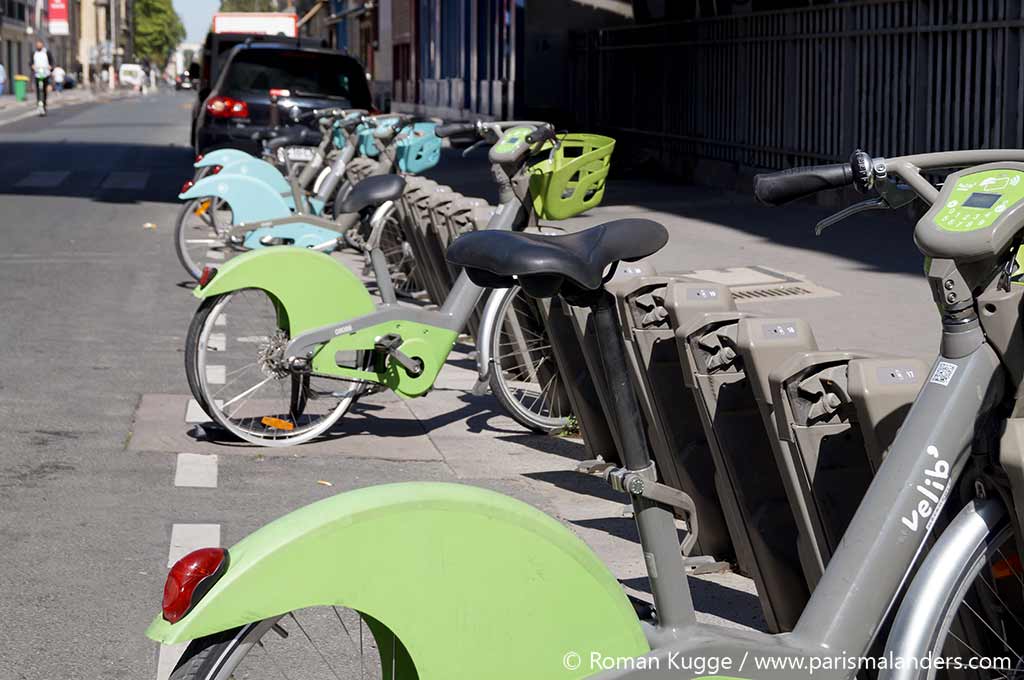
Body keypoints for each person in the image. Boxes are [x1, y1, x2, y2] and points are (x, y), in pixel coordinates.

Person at [31, 40, 53, 116]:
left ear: (42, 45)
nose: (39, 46)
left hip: (45, 74)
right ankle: (39, 105)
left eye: (40, 44)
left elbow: (51, 62)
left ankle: (44, 105)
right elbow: (31, 62)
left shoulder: (47, 52)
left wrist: (50, 67)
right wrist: (32, 66)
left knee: (44, 90)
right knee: (38, 90)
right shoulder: (34, 53)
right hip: (37, 74)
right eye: (37, 45)